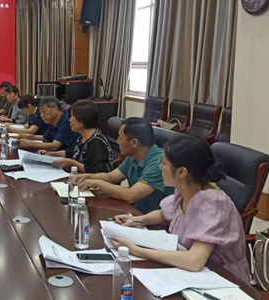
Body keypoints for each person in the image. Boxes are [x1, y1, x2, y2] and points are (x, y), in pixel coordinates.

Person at [111, 135, 250, 284]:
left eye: (163, 163)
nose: (160, 167)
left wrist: (135, 250)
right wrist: (138, 220)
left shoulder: (213, 204)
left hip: (223, 279)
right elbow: (168, 213)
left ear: (181, 172)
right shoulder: (187, 189)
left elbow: (194, 261)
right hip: (190, 271)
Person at [75, 117, 173, 213]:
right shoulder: (132, 156)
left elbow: (130, 195)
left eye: (120, 138)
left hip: (154, 219)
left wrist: (98, 183)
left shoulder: (159, 163)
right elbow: (110, 177)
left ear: (134, 142)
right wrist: (87, 177)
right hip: (136, 211)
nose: (117, 141)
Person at [43, 100, 114, 174]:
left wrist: (74, 163)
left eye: (73, 116)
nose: (69, 120)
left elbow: (100, 171)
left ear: (83, 118)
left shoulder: (96, 141)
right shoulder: (82, 137)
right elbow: (70, 152)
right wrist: (53, 154)